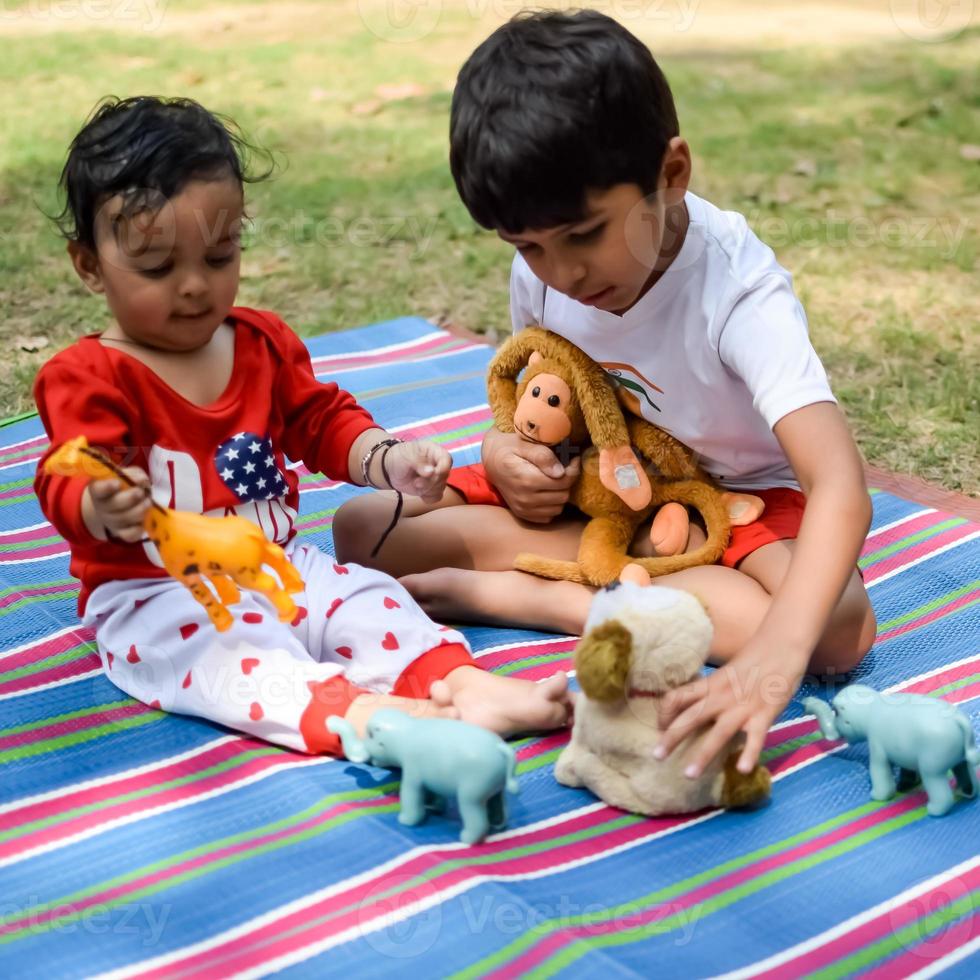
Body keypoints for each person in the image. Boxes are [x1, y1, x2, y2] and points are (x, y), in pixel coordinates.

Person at [334, 10, 877, 778]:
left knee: (837, 633)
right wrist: (507, 456)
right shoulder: (547, 269)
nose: (562, 275)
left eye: (585, 235)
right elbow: (543, 405)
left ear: (672, 174)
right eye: (527, 247)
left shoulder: (738, 293)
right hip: (610, 499)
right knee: (365, 531)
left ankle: (545, 600)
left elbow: (838, 487)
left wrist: (771, 666)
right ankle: (619, 584)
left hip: (742, 507)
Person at [34, 96, 571, 758]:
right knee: (242, 663)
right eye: (156, 267)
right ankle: (381, 719)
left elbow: (320, 420)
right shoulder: (88, 375)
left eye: (220, 255)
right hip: (160, 595)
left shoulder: (259, 342)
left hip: (279, 564)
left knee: (372, 599)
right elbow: (66, 473)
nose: (196, 287)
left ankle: (464, 685)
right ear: (88, 264)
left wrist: (386, 458)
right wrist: (100, 503)